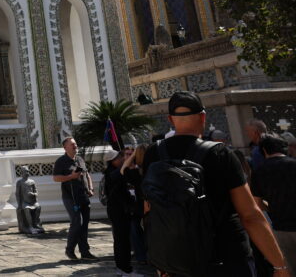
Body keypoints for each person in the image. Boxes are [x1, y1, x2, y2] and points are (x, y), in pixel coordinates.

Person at [142, 92, 289, 276]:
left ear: (170, 119)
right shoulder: (221, 154)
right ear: (203, 116)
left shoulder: (152, 154)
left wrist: (162, 260)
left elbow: (149, 210)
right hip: (226, 258)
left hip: (177, 261)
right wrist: (280, 265)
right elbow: (250, 215)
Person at [250, 134, 296, 272]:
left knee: (289, 268)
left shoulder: (259, 171)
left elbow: (257, 204)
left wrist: (271, 208)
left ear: (264, 150)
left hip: (280, 228)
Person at [53, 136, 95, 262]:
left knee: (84, 224)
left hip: (83, 196)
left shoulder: (80, 159)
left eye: (75, 144)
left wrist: (91, 188)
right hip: (70, 197)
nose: (75, 146)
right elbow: (56, 178)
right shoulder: (61, 161)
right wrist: (70, 176)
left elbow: (87, 174)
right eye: (72, 144)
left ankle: (85, 251)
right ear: (65, 147)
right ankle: (69, 250)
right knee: (77, 222)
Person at [104, 146, 142, 275]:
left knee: (124, 240)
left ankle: (123, 267)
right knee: (122, 241)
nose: (122, 159)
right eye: (120, 157)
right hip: (118, 211)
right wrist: (133, 156)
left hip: (124, 210)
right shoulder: (112, 173)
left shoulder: (120, 171)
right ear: (113, 161)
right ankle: (124, 268)